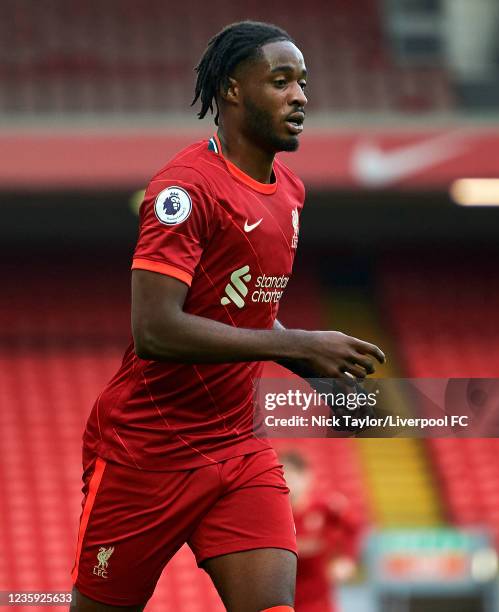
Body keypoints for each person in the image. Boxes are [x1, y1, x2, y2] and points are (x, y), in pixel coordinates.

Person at [70, 20, 385, 612]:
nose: (301, 97)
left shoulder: (289, 191)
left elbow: (246, 313)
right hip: (146, 453)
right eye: (282, 81)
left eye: (304, 83)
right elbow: (155, 329)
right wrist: (292, 346)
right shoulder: (185, 190)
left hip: (238, 449)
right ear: (233, 90)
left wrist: (315, 367)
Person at [280, 450, 363, 612]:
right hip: (284, 601)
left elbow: (355, 526)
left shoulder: (325, 507)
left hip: (319, 602)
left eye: (292, 475)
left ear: (306, 477)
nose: (288, 481)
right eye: (283, 476)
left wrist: (347, 558)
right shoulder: (274, 515)